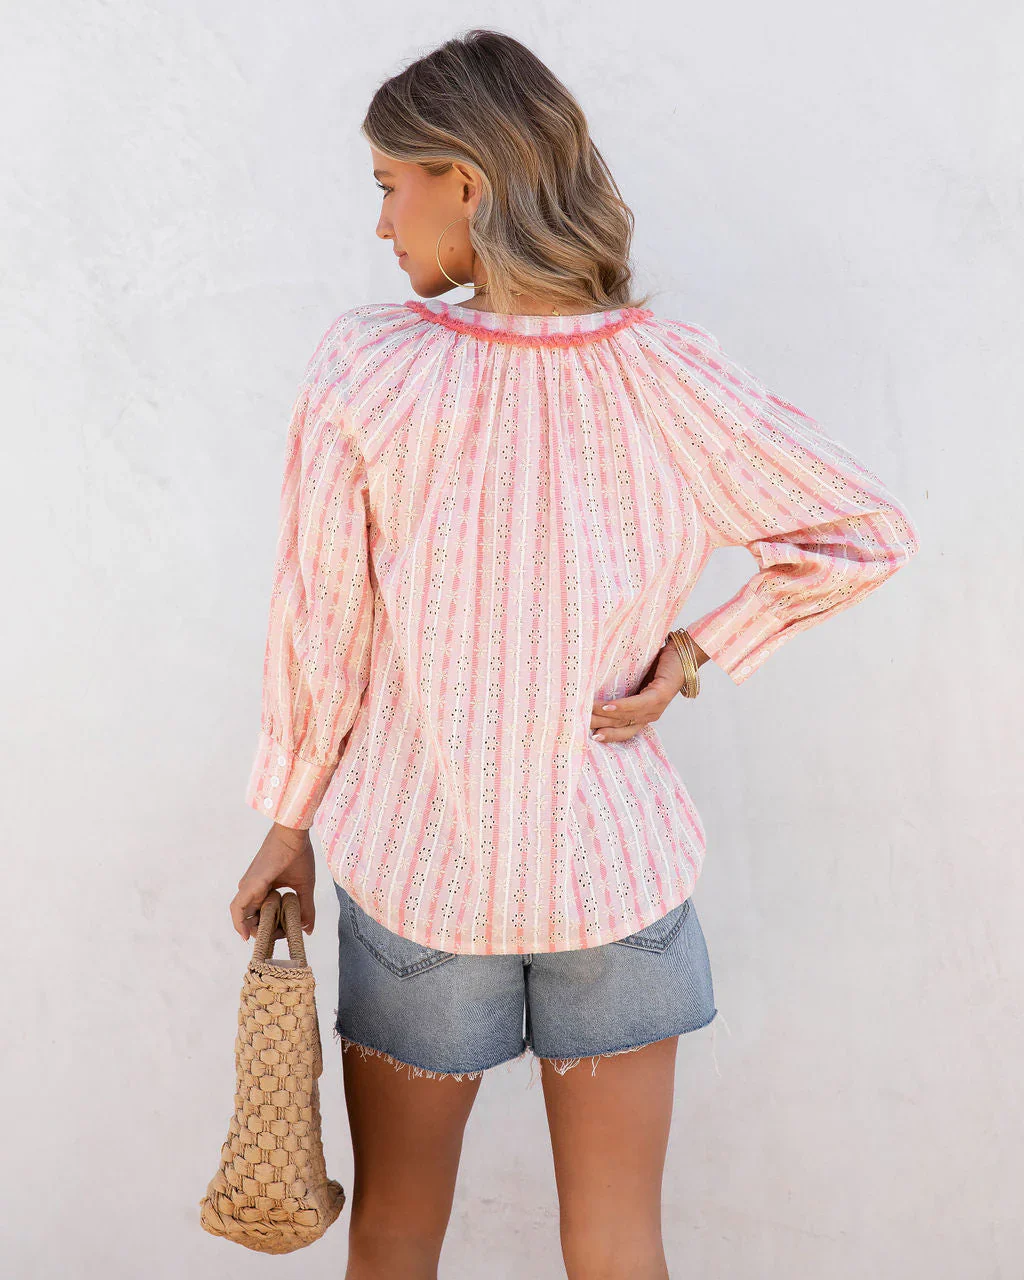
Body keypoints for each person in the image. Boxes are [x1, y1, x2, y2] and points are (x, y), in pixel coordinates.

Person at [228, 28, 920, 1280]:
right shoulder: (670, 373)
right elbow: (863, 531)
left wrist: (288, 820)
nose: (380, 222)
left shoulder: (369, 368)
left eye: (389, 184)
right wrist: (696, 652)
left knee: (394, 1236)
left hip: (422, 876)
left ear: (466, 182)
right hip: (614, 879)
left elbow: (320, 623)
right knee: (616, 1243)